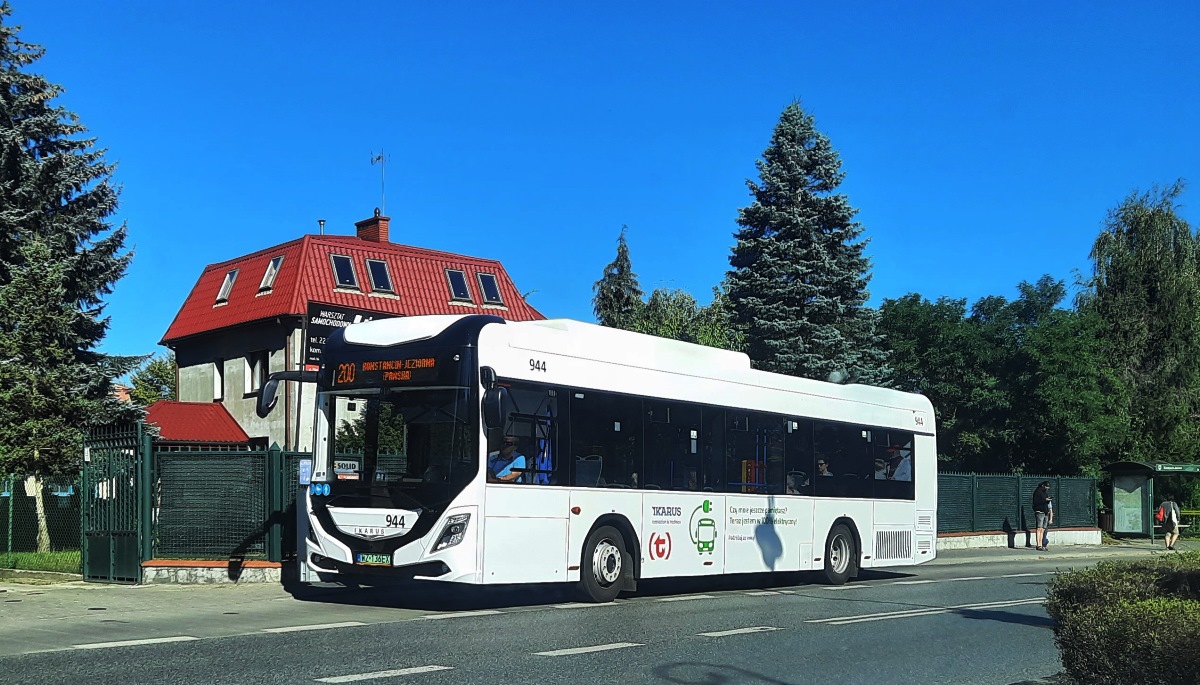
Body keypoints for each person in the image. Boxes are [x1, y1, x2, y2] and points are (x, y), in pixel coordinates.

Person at [1032, 481, 1051, 551]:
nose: (1047, 488)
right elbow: (1036, 502)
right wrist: (1045, 500)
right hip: (1039, 511)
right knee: (1039, 528)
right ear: (1043, 485)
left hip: (1045, 511)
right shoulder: (1038, 491)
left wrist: (1048, 500)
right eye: (1046, 486)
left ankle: (1041, 543)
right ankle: (1038, 544)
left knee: (1043, 528)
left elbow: (1045, 500)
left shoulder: (1045, 492)